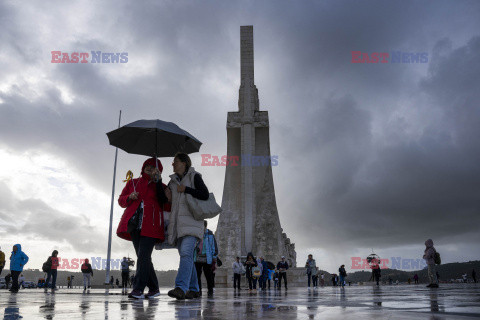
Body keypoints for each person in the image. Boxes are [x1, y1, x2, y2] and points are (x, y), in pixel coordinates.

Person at [117, 157, 168, 299]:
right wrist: (129, 197)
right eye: (148, 165)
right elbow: (121, 200)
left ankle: (138, 289)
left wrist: (158, 182)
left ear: (158, 171)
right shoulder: (133, 183)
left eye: (153, 167)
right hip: (134, 225)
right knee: (143, 257)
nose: (149, 168)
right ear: (143, 167)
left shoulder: (161, 186)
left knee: (144, 256)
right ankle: (154, 288)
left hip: (151, 226)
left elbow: (165, 202)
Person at [164, 153, 209, 300]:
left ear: (184, 163)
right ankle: (194, 289)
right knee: (187, 256)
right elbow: (169, 204)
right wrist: (166, 195)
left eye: (175, 161)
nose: (172, 164)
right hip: (178, 226)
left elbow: (205, 194)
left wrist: (187, 189)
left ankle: (180, 288)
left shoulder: (194, 176)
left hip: (192, 224)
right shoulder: (172, 182)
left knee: (185, 254)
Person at [194, 220, 218, 296]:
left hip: (207, 257)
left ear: (205, 226)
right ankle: (198, 291)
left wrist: (214, 256)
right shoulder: (196, 234)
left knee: (208, 275)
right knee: (197, 275)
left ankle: (210, 291)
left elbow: (214, 246)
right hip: (197, 257)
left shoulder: (210, 234)